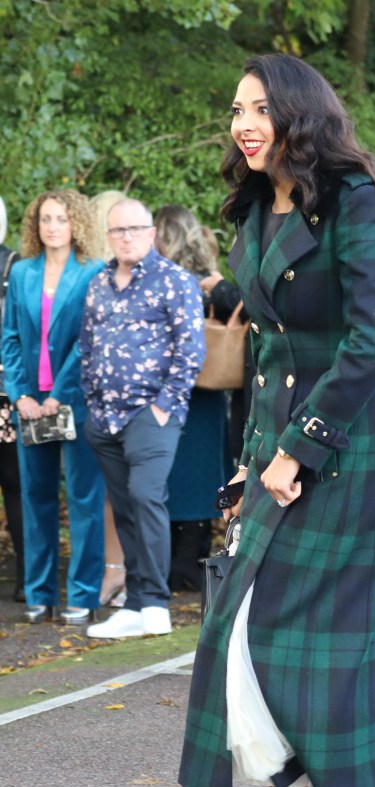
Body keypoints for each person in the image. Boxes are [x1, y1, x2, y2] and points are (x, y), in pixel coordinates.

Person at [178, 53, 375, 787]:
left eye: (257, 107)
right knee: (242, 637)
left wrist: (298, 450)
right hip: (278, 454)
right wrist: (254, 456)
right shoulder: (255, 207)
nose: (242, 123)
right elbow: (268, 355)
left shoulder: (353, 200)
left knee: (302, 642)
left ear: (296, 112)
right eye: (234, 109)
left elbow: (368, 345)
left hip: (348, 453)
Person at [80, 197, 205, 640]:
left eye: (134, 229)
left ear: (151, 233)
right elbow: (87, 345)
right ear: (109, 237)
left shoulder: (175, 281)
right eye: (118, 231)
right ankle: (134, 604)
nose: (126, 237)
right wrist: (93, 404)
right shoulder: (98, 284)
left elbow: (191, 351)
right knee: (126, 507)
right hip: (106, 419)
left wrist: (162, 406)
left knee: (146, 496)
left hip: (151, 414)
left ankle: (155, 603)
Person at [2, 190, 105, 623]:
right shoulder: (22, 272)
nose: (52, 227)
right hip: (28, 405)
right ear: (35, 225)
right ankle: (39, 592)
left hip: (75, 401)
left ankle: (82, 595)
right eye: (45, 219)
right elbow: (8, 337)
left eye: (61, 218)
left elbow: (89, 340)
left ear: (75, 224)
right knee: (35, 498)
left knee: (84, 500)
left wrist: (57, 395)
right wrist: (20, 393)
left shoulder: (93, 272)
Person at [154, 204, 234, 592]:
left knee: (179, 474)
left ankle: (179, 564)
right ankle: (190, 562)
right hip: (208, 392)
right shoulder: (204, 279)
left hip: (185, 392)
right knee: (199, 476)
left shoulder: (172, 280)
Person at [89, 190, 128, 608]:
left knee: (117, 493)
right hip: (96, 399)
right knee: (106, 493)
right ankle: (114, 572)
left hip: (126, 404)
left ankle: (119, 573)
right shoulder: (95, 275)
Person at [0, 196, 25, 601]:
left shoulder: (15, 268)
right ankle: (25, 578)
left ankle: (27, 575)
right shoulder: (19, 266)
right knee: (19, 487)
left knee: (19, 486)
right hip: (12, 392)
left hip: (10, 396)